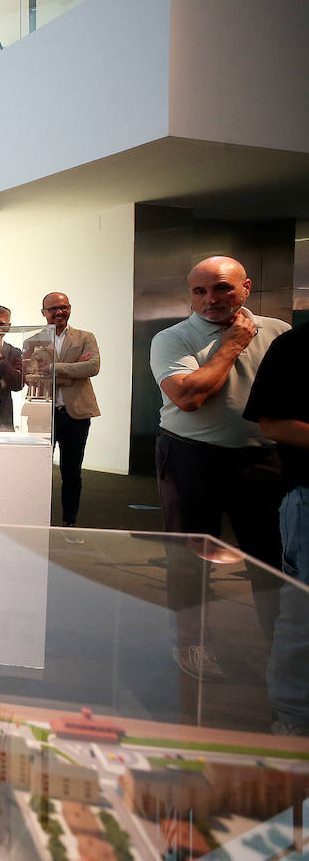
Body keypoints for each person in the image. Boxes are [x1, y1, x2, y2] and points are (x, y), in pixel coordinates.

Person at [151, 255, 290, 678]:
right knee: (189, 557)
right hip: (191, 456)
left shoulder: (278, 333)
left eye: (223, 288)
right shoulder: (172, 338)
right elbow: (188, 397)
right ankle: (191, 643)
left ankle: (279, 648)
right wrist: (233, 344)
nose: (211, 299)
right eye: (200, 291)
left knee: (272, 558)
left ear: (246, 288)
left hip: (263, 457)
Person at [244, 319, 309, 734]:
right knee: (302, 614)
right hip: (306, 490)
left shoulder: (277, 333)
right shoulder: (297, 345)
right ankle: (293, 722)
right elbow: (272, 421)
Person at [23, 292, 100, 526]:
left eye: (64, 307)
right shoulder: (32, 340)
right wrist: (73, 369)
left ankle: (69, 523)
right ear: (43, 312)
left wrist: (53, 368)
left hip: (76, 413)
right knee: (39, 472)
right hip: (42, 414)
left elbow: (93, 367)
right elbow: (30, 376)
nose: (59, 312)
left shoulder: (85, 337)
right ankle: (38, 521)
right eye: (54, 308)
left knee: (72, 472)